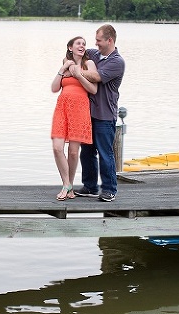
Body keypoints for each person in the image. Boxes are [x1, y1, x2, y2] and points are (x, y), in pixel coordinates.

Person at [74, 24, 125, 202]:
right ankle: (90, 186)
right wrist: (71, 56)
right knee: (86, 152)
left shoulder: (117, 61)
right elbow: (76, 53)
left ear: (109, 40)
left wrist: (78, 71)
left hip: (105, 115)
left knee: (105, 153)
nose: (96, 44)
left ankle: (110, 189)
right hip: (87, 113)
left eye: (99, 40)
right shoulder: (94, 54)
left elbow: (96, 77)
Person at [50, 36, 98, 201]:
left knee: (73, 151)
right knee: (57, 148)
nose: (82, 46)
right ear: (70, 47)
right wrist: (63, 68)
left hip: (79, 110)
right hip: (62, 108)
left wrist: (79, 75)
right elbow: (54, 88)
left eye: (84, 44)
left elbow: (93, 89)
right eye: (78, 43)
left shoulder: (89, 64)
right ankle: (67, 184)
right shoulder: (66, 64)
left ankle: (68, 186)